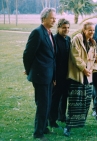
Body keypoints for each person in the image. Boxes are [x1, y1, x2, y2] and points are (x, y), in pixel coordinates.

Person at [23, 8, 56, 140]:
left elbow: (51, 56)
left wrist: (53, 76)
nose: (54, 20)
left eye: (55, 18)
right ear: (44, 19)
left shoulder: (49, 33)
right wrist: (29, 69)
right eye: (52, 18)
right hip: (40, 76)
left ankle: (44, 127)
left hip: (49, 75)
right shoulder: (37, 33)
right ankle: (38, 133)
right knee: (42, 104)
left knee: (47, 103)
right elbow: (27, 54)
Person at [63, 22, 97, 136]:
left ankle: (79, 123)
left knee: (85, 100)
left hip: (88, 76)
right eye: (89, 30)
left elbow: (94, 58)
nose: (91, 32)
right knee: (74, 102)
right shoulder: (77, 39)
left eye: (93, 30)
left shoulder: (93, 42)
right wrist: (83, 68)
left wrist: (92, 69)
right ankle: (68, 126)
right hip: (77, 75)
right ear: (84, 30)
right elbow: (75, 55)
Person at [48, 18, 71, 128]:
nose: (66, 30)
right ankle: (52, 119)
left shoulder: (68, 39)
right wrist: (54, 77)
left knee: (64, 96)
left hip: (66, 74)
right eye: (63, 28)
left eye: (67, 28)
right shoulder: (54, 39)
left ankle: (62, 116)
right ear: (58, 28)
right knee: (55, 98)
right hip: (57, 74)